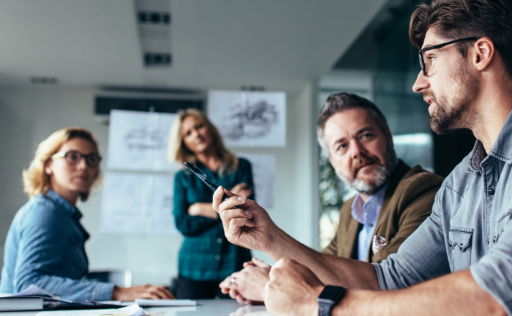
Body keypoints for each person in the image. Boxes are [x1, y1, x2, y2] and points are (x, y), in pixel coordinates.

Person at [213, 0, 512, 315]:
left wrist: (322, 306)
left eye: (430, 60)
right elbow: (386, 280)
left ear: (481, 54)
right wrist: (270, 239)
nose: (418, 83)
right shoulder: (461, 184)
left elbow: (506, 298)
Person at [219, 93, 444, 303]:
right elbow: (322, 270)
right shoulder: (350, 210)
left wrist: (270, 286)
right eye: (342, 146)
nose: (356, 151)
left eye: (365, 135)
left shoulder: (424, 191)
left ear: (387, 135)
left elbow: (386, 286)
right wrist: (273, 275)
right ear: (332, 160)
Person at [0, 127, 173, 301]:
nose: (84, 166)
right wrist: (116, 292)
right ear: (48, 165)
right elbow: (29, 284)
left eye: (91, 159)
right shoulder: (45, 212)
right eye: (72, 157)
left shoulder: (65, 215)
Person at [168, 108, 254, 299]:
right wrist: (226, 209)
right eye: (188, 133)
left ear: (210, 129)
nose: (196, 134)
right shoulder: (183, 177)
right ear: (183, 143)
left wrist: (198, 209)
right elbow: (183, 223)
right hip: (194, 266)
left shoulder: (241, 167)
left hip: (234, 262)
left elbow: (246, 214)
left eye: (199, 127)